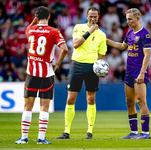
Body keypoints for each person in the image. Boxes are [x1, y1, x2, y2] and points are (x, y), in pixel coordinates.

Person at [15, 6, 68, 144]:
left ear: (36, 17)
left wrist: (35, 20)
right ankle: (41, 138)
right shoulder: (54, 31)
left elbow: (31, 25)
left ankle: (24, 138)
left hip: (31, 73)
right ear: (49, 17)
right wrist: (57, 63)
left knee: (28, 106)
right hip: (47, 73)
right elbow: (65, 49)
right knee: (44, 107)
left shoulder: (29, 30)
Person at [57, 6, 107, 139]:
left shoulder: (102, 35)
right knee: (70, 98)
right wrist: (90, 31)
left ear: (98, 17)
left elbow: (102, 56)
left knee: (91, 99)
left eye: (95, 16)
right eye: (91, 16)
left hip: (92, 67)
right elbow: (76, 44)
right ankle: (66, 131)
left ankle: (89, 132)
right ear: (86, 16)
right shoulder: (78, 27)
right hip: (77, 65)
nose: (93, 18)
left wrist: (104, 69)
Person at [106, 8, 151, 139]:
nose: (128, 21)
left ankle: (146, 133)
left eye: (130, 19)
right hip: (129, 71)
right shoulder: (129, 33)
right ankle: (134, 132)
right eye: (127, 19)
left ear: (138, 18)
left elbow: (147, 55)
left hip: (139, 71)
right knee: (129, 101)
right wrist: (107, 40)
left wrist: (142, 73)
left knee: (141, 100)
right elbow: (122, 46)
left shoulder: (145, 35)